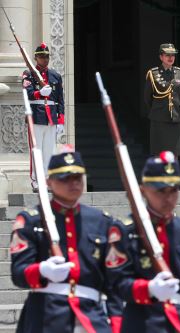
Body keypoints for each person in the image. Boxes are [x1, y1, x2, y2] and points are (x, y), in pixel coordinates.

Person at [10, 147, 123, 333]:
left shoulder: (102, 222)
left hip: (91, 318)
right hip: (46, 316)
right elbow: (18, 273)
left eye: (77, 178)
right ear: (49, 182)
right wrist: (42, 270)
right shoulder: (31, 220)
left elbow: (113, 283)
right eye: (65, 178)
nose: (73, 183)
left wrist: (117, 324)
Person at [105, 151, 180, 333]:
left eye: (174, 190)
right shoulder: (125, 231)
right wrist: (148, 288)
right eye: (160, 190)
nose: (168, 198)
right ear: (143, 190)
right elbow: (117, 285)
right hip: (142, 322)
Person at [22, 42, 65, 192]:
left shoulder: (55, 75)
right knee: (36, 149)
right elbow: (27, 94)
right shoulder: (28, 74)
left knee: (50, 150)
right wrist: (40, 93)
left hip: (51, 117)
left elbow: (60, 99)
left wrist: (61, 120)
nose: (44, 59)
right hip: (36, 116)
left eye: (46, 56)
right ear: (35, 58)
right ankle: (36, 180)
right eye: (41, 56)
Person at [144, 43, 180, 156]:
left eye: (173, 55)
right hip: (159, 117)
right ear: (161, 57)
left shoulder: (179, 72)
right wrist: (157, 110)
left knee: (174, 154)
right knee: (158, 153)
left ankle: (172, 174)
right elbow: (147, 98)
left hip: (175, 118)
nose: (171, 57)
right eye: (167, 55)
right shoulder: (153, 73)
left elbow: (179, 95)